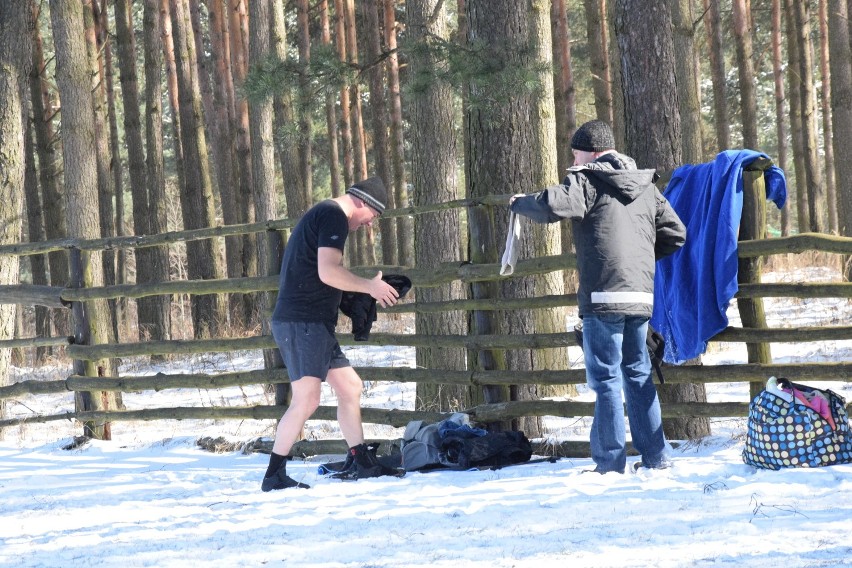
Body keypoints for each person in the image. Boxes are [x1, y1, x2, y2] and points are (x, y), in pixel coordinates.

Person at [509, 120, 686, 474]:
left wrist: (519, 203)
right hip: (639, 296)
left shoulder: (587, 179)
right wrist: (638, 264)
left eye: (575, 153)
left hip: (603, 295)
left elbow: (551, 205)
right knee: (637, 374)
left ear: (590, 151)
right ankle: (657, 457)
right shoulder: (646, 186)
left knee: (605, 379)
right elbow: (675, 233)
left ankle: (609, 463)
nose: (572, 160)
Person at [262, 177, 401, 491]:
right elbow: (328, 271)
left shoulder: (326, 215)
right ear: (363, 202)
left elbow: (319, 274)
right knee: (307, 400)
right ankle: (274, 474)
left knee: (350, 386)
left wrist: (352, 298)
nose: (369, 225)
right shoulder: (332, 214)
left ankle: (362, 463)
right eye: (373, 217)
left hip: (313, 324)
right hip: (302, 323)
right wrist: (369, 287)